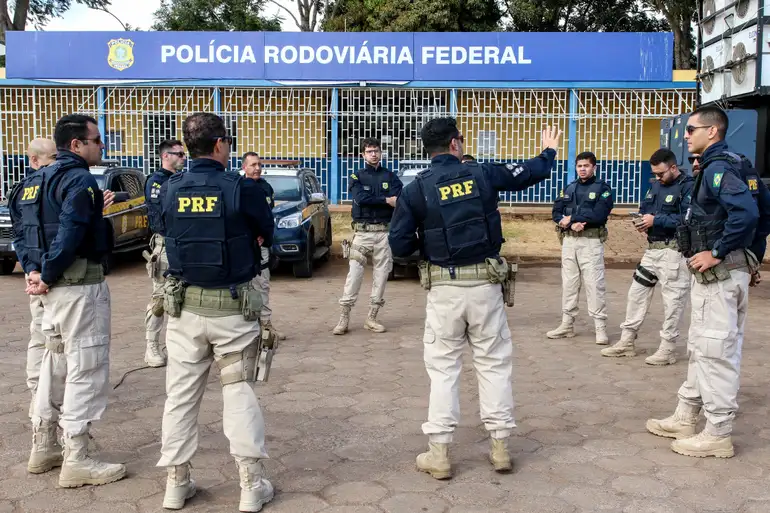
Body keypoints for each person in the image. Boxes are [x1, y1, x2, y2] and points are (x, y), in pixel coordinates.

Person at [389, 116, 561, 479]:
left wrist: (431, 252)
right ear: (455, 143)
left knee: (443, 369)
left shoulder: (416, 189)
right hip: (486, 287)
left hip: (444, 290)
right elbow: (529, 173)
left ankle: (439, 454)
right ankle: (500, 448)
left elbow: (400, 243)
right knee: (494, 364)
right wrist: (549, 150)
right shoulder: (481, 175)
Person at [156, 113, 275, 511]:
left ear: (188, 148)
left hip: (184, 309)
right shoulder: (243, 188)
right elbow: (266, 233)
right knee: (238, 392)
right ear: (221, 144)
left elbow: (163, 228)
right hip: (233, 310)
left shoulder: (169, 189)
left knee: (180, 396)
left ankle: (176, 484)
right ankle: (250, 485)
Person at [14, 115, 126, 486]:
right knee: (86, 368)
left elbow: (23, 233)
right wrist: (46, 274)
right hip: (77, 289)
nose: (102, 146)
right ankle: (77, 457)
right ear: (76, 144)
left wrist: (35, 271)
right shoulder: (77, 179)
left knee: (54, 365)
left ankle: (44, 445)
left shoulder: (32, 182)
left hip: (49, 294)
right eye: (96, 140)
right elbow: (71, 231)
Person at [646, 106, 762, 458]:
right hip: (725, 271)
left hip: (718, 273)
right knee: (702, 346)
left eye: (691, 129)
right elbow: (764, 213)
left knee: (715, 351)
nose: (685, 134)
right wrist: (752, 258)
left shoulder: (718, 168)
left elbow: (748, 213)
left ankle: (718, 433)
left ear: (712, 131)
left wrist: (720, 251)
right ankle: (687, 415)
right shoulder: (738, 164)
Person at [601, 148, 694, 365]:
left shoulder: (688, 187)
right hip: (652, 251)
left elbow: (688, 220)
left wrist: (656, 220)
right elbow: (646, 208)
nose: (658, 178)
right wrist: (643, 221)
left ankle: (668, 349)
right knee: (636, 294)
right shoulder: (654, 186)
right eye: (655, 174)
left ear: (673, 167)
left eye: (661, 173)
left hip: (675, 253)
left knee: (673, 302)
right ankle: (627, 341)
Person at [333, 137, 403, 335]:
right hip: (362, 234)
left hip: (384, 233)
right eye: (370, 151)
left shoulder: (391, 176)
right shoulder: (357, 177)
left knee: (381, 276)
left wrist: (386, 201)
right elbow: (361, 199)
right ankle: (344, 318)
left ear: (381, 153)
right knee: (354, 276)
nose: (373, 154)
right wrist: (385, 200)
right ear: (363, 155)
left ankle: (372, 317)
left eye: (376, 151)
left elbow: (399, 199)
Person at [11, 138, 57, 421]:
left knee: (38, 338)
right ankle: (43, 406)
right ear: (33, 161)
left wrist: (30, 270)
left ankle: (36, 399)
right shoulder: (59, 186)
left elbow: (20, 238)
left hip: (37, 275)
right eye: (51, 159)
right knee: (51, 343)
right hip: (55, 278)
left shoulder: (19, 191)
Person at [547, 152, 614, 344]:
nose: (582, 169)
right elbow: (556, 211)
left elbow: (600, 214)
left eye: (586, 165)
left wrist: (574, 218)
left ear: (594, 167)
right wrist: (566, 222)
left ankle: (600, 327)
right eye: (579, 166)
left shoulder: (603, 189)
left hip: (590, 242)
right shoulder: (570, 188)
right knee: (569, 283)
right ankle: (567, 324)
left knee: (594, 284)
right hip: (569, 241)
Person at [142, 139, 186, 368]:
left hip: (185, 244)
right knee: (160, 297)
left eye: (184, 153)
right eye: (178, 154)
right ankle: (152, 346)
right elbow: (160, 215)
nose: (183, 157)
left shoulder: (182, 180)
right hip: (166, 244)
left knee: (183, 296)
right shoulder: (157, 182)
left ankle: (177, 344)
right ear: (165, 156)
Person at [242, 151, 285, 341]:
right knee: (244, 287)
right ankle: (247, 329)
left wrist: (265, 237)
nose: (257, 168)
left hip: (262, 247)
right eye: (252, 165)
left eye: (259, 164)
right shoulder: (239, 187)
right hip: (243, 246)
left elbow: (267, 216)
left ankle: (266, 328)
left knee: (263, 286)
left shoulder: (266, 187)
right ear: (244, 167)